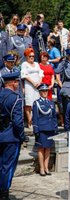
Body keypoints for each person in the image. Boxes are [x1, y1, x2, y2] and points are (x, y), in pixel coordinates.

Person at [0, 72, 24, 200]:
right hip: (11, 137)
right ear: (13, 83)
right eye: (16, 82)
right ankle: (4, 193)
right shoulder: (16, 98)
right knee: (8, 167)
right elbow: (18, 122)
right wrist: (21, 136)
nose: (17, 84)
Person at [32, 84, 57, 176]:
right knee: (41, 148)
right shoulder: (36, 103)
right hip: (42, 129)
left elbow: (54, 117)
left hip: (50, 128)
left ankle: (46, 167)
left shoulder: (51, 103)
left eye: (46, 91)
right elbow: (35, 117)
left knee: (48, 149)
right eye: (43, 91)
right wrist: (36, 129)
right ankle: (42, 168)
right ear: (39, 92)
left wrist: (55, 128)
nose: (45, 92)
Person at [21, 48, 44, 128]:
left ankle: (35, 121)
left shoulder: (37, 64)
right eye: (30, 56)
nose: (32, 57)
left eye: (33, 56)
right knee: (29, 104)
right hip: (29, 86)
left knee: (36, 103)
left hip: (37, 86)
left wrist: (40, 81)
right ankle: (29, 121)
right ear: (26, 56)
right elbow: (24, 75)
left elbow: (41, 73)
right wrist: (33, 82)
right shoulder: (24, 64)